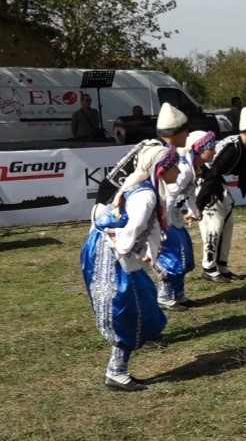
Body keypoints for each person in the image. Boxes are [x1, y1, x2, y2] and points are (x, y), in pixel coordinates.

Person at [80, 144, 178, 392]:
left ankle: (117, 369)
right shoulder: (146, 195)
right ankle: (116, 372)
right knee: (128, 307)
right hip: (110, 252)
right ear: (161, 168)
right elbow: (132, 229)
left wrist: (150, 252)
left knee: (140, 303)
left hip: (111, 249)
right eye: (173, 165)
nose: (177, 169)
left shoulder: (148, 190)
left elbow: (150, 226)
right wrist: (127, 250)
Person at [195, 109, 246, 281]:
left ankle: (221, 264)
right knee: (215, 221)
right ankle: (208, 267)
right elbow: (212, 173)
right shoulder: (232, 149)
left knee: (228, 220)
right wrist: (199, 205)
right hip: (206, 179)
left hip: (215, 180)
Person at [154, 130, 215, 311]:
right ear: (199, 149)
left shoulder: (193, 168)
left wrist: (194, 210)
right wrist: (165, 222)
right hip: (167, 217)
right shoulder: (186, 168)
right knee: (173, 258)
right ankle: (165, 296)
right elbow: (170, 193)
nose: (214, 150)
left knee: (185, 256)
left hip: (173, 216)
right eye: (211, 147)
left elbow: (187, 193)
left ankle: (178, 294)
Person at [93, 103, 189, 206]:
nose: (188, 135)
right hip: (113, 193)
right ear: (174, 133)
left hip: (118, 190)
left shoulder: (156, 145)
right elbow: (139, 176)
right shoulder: (158, 151)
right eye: (185, 131)